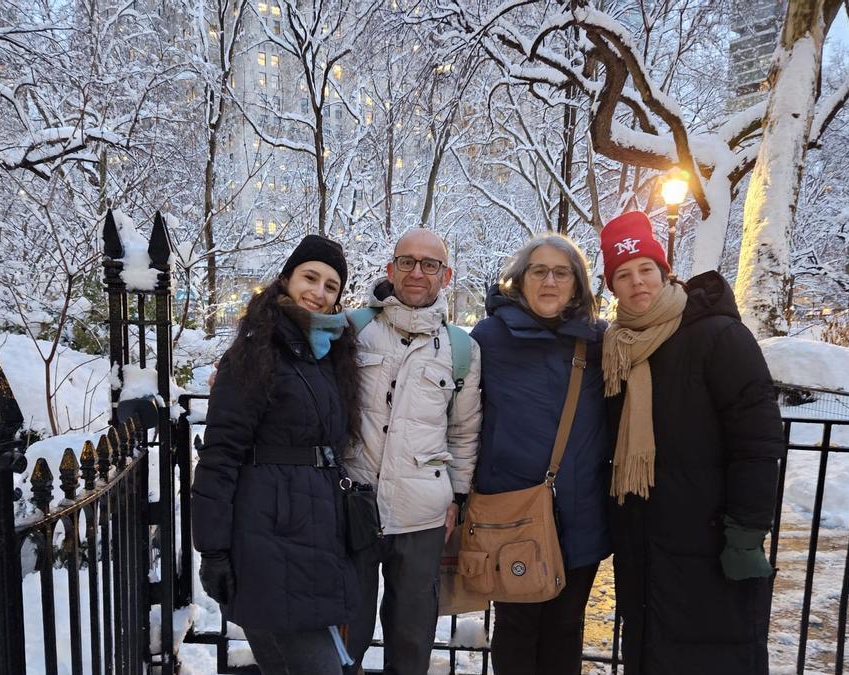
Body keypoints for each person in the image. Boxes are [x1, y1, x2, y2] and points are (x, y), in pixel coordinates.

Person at [601, 211, 784, 674]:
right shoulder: (619, 348)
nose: (637, 283)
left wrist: (744, 533)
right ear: (612, 286)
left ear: (665, 272)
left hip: (709, 542)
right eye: (623, 275)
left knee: (712, 655)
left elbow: (758, 444)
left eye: (646, 269)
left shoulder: (720, 337)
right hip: (645, 544)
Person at [192, 235, 361, 675]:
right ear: (286, 279)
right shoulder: (255, 352)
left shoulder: (326, 354)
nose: (318, 292)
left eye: (331, 285)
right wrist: (213, 549)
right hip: (268, 536)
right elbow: (220, 455)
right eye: (310, 277)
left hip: (316, 536)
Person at [469, 233, 612, 674]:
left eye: (561, 272)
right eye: (539, 271)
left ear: (577, 284)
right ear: (520, 279)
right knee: (516, 628)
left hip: (581, 512)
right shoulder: (489, 338)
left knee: (567, 628)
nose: (550, 281)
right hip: (512, 514)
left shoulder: (599, 341)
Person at [343, 228, 482, 675]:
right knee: (346, 634)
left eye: (430, 264)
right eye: (407, 262)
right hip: (352, 504)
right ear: (390, 269)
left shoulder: (463, 350)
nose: (417, 272)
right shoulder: (354, 330)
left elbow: (463, 433)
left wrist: (458, 498)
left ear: (446, 275)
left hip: (422, 515)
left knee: (411, 639)